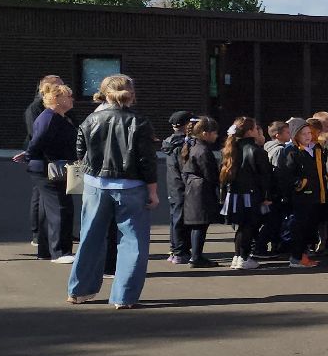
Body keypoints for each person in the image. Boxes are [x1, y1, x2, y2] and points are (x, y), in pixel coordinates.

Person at [66, 73, 158, 309]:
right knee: (133, 242)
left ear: (104, 92)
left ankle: (79, 291)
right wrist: (153, 190)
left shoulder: (91, 119)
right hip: (131, 186)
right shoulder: (140, 121)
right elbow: (147, 160)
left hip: (95, 185)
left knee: (90, 237)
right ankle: (124, 297)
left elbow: (79, 150)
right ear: (131, 94)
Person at [21, 81, 78, 263]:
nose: (72, 99)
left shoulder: (57, 117)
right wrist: (29, 155)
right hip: (49, 169)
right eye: (68, 96)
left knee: (50, 209)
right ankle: (60, 252)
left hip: (50, 167)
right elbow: (38, 141)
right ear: (57, 98)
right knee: (60, 208)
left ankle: (46, 251)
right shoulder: (50, 118)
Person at [220, 118, 273, 270]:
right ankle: (243, 257)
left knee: (241, 227)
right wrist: (267, 196)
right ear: (250, 131)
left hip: (234, 194)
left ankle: (238, 256)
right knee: (249, 226)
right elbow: (265, 176)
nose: (258, 131)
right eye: (256, 128)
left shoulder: (231, 149)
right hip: (251, 195)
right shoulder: (256, 150)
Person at [278, 119, 328, 269]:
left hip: (315, 194)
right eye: (303, 134)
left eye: (309, 133)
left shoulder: (315, 149)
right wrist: (300, 184)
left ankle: (303, 256)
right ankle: (296, 258)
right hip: (301, 196)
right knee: (299, 227)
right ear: (296, 136)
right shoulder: (291, 151)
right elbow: (286, 174)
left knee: (309, 227)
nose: (308, 136)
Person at [175, 117, 222, 267]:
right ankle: (196, 257)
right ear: (205, 133)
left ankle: (195, 255)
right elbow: (210, 173)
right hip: (201, 192)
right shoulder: (203, 150)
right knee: (200, 226)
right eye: (214, 133)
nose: (216, 136)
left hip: (192, 190)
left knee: (197, 226)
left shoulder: (192, 146)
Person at [25, 75, 64, 250]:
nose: (63, 89)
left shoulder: (61, 107)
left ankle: (56, 233)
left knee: (53, 197)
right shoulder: (35, 108)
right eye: (60, 86)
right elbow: (36, 134)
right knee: (41, 196)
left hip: (56, 158)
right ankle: (38, 233)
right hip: (43, 159)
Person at [162, 111, 196, 264]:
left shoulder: (170, 142)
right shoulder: (182, 144)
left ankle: (175, 249)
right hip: (182, 185)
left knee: (175, 217)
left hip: (173, 185)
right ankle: (180, 252)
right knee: (180, 218)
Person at [258, 119, 293, 257]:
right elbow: (279, 172)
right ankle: (261, 246)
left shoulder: (267, 147)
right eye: (287, 132)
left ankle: (272, 245)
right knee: (273, 221)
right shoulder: (279, 150)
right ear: (277, 135)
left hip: (271, 191)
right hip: (276, 192)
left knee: (273, 220)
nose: (289, 134)